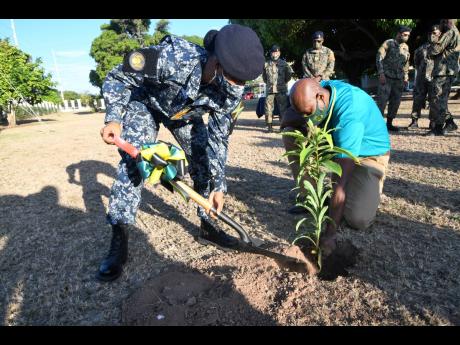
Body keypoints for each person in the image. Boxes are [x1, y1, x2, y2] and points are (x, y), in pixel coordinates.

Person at [97, 24, 265, 281]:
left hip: (184, 114)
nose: (237, 87)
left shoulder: (233, 91)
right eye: (233, 78)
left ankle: (208, 226)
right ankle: (119, 237)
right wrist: (114, 118)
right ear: (216, 62)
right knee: (136, 164)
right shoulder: (171, 57)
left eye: (242, 82)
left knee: (204, 161)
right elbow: (118, 75)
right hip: (146, 103)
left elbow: (219, 138)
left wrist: (219, 185)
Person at [281, 78, 390, 256]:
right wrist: (295, 119)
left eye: (309, 113)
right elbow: (287, 119)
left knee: (358, 219)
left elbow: (339, 184)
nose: (307, 120)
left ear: (320, 98)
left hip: (367, 154)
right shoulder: (319, 89)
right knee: (291, 134)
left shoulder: (349, 116)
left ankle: (369, 188)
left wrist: (330, 234)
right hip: (334, 141)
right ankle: (310, 197)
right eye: (303, 115)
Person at [425, 19, 460, 136]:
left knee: (438, 99)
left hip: (444, 71)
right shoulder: (454, 31)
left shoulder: (449, 32)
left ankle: (438, 128)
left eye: (445, 21)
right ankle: (450, 123)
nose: (443, 23)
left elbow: (435, 50)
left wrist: (433, 39)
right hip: (446, 70)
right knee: (441, 99)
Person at [376, 25, 411, 132]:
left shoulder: (406, 47)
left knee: (395, 102)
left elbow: (406, 63)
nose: (407, 37)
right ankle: (377, 125)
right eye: (405, 35)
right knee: (382, 101)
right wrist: (381, 73)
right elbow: (379, 58)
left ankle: (389, 124)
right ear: (399, 34)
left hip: (399, 79)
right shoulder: (388, 43)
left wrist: (406, 77)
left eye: (408, 35)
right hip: (386, 78)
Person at [409, 25, 442, 129]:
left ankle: (432, 122)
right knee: (417, 99)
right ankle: (414, 121)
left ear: (440, 35)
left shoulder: (442, 48)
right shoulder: (421, 49)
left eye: (435, 33)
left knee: (434, 100)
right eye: (431, 33)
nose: (432, 35)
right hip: (421, 79)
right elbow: (416, 63)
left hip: (435, 79)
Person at [262, 44, 294, 133]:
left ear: (279, 53)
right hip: (270, 89)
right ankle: (269, 127)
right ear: (271, 53)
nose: (274, 54)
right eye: (273, 52)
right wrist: (269, 84)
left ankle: (282, 127)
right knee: (268, 108)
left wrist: (282, 83)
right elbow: (264, 77)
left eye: (276, 52)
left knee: (283, 108)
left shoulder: (284, 64)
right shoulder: (266, 64)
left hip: (281, 89)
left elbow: (288, 76)